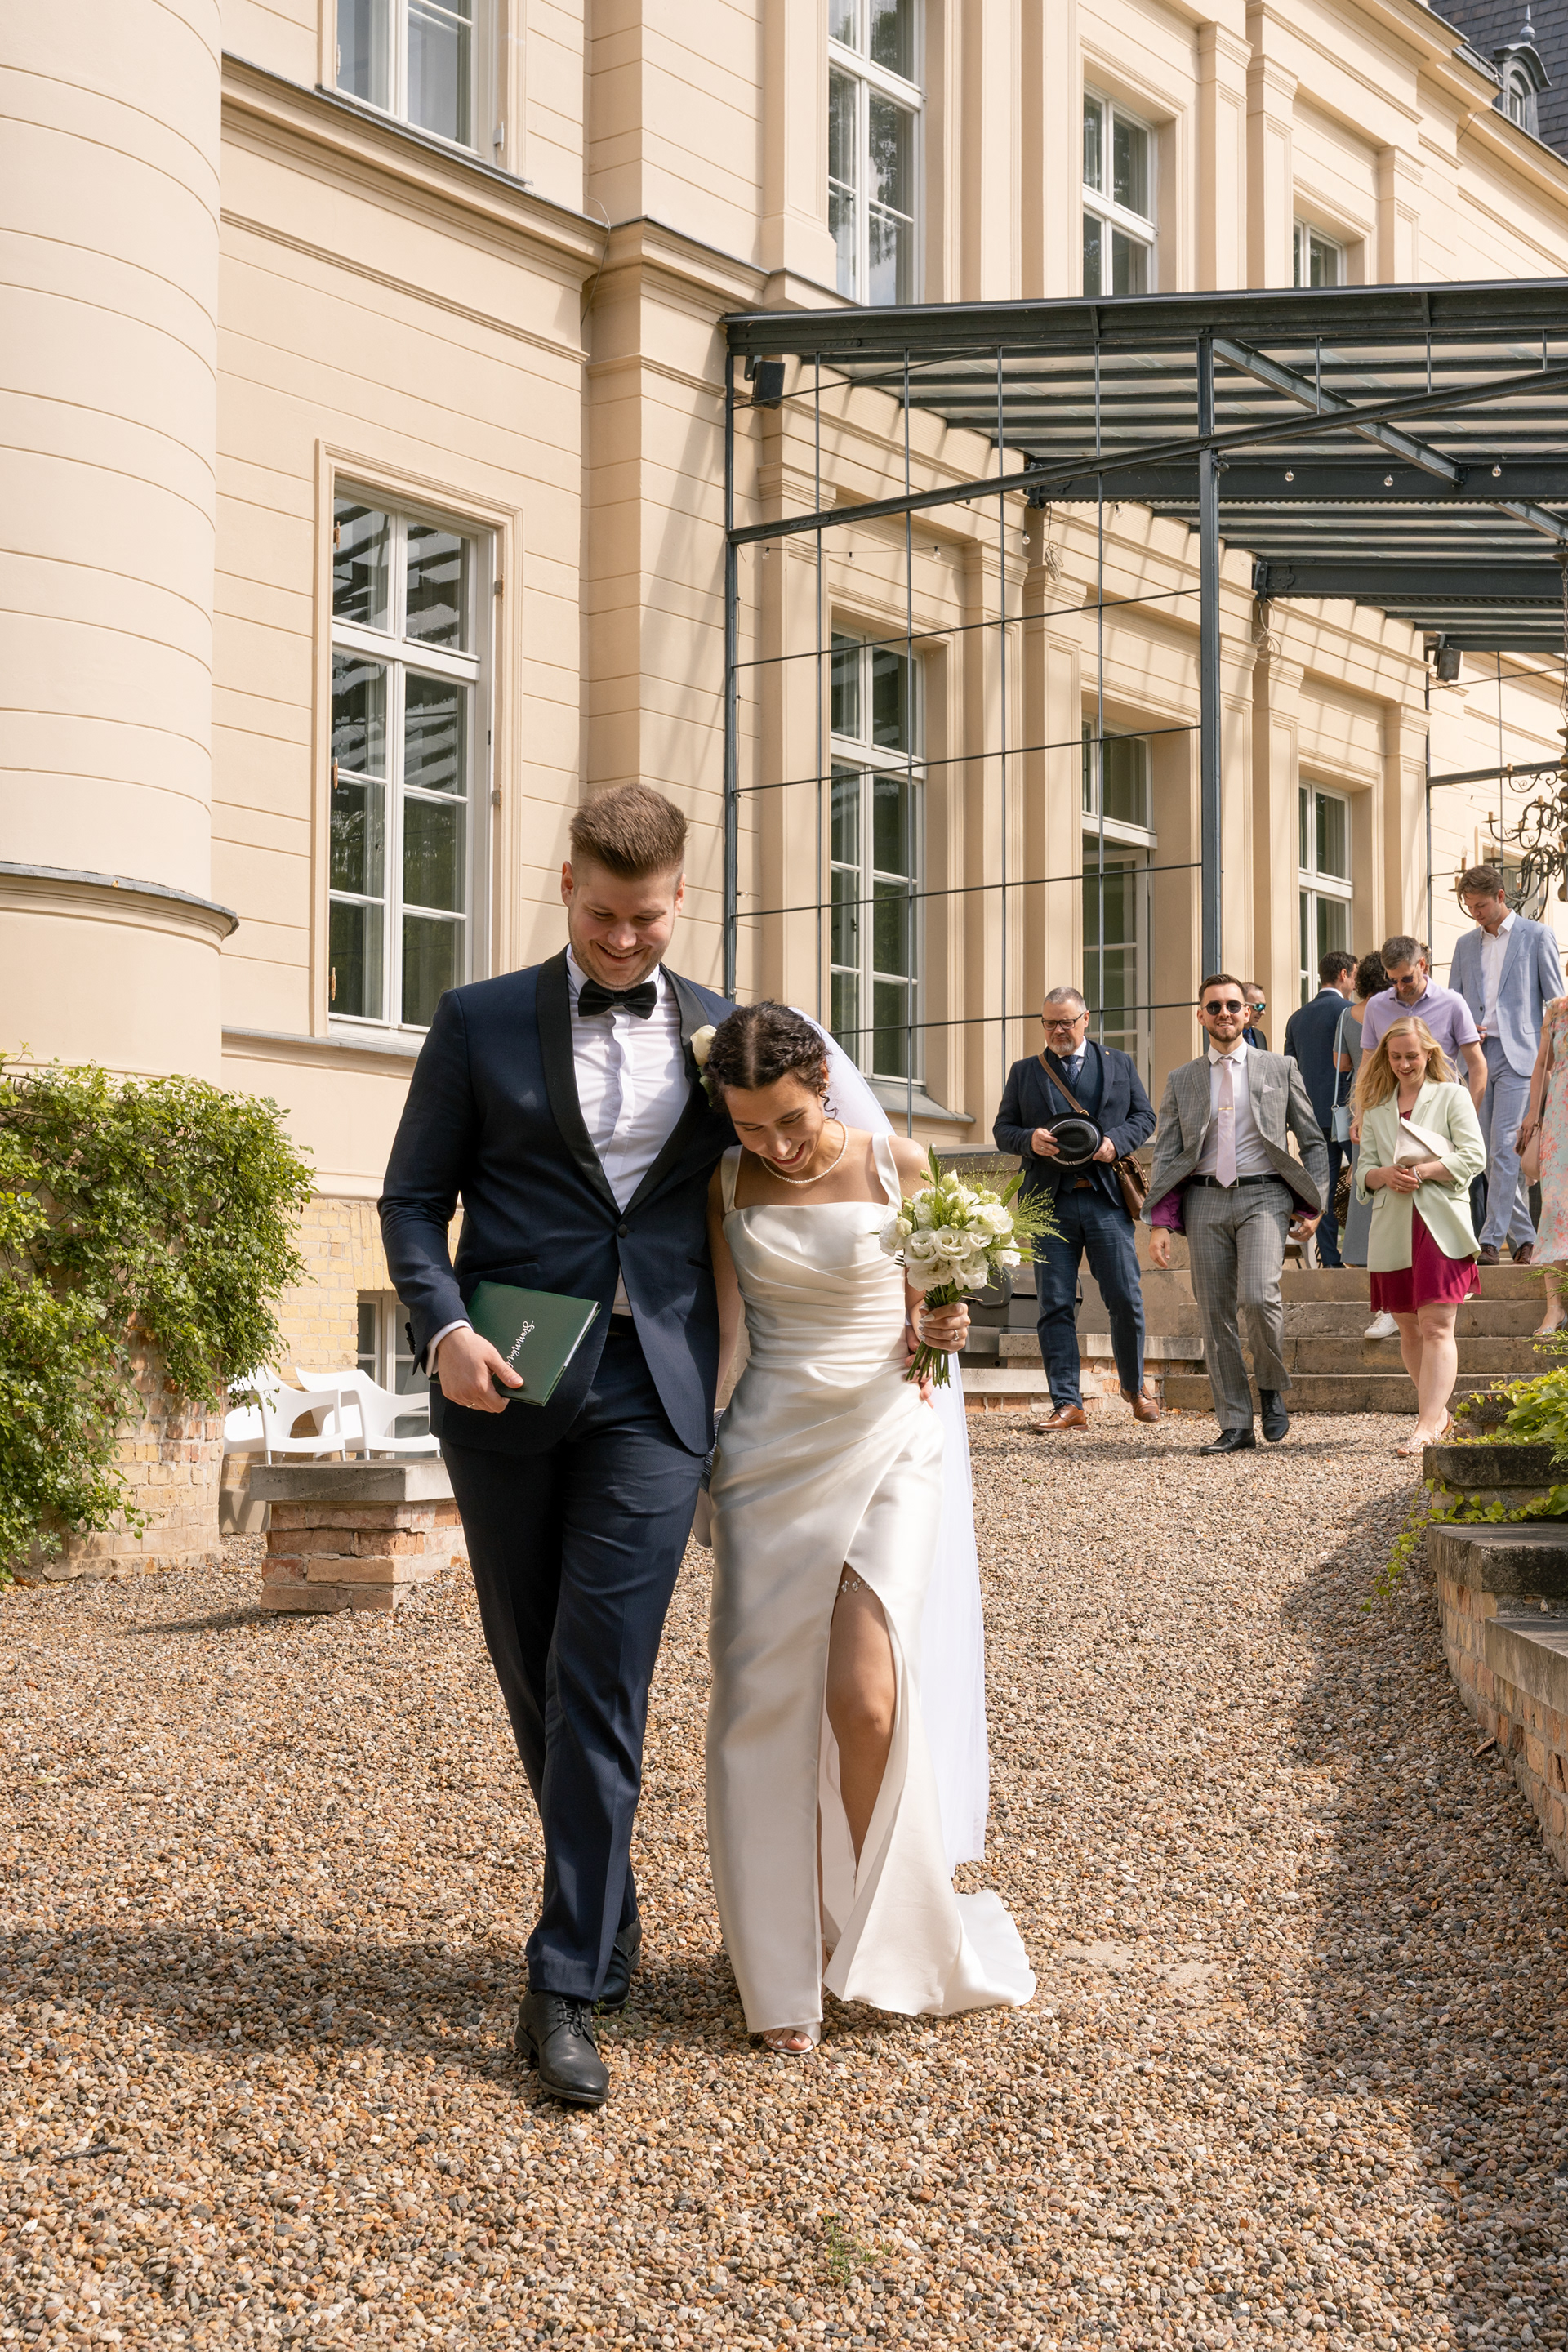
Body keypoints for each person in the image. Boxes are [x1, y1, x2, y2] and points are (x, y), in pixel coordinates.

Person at [378, 782, 737, 2111]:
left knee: (601, 1679)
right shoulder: (477, 1021)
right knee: (533, 1671)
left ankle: (563, 1981)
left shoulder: (727, 1031)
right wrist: (442, 1329)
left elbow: (813, 1167)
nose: (625, 942)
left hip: (657, 1391)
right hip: (508, 1387)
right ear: (567, 886)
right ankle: (607, 1901)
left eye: (648, 919)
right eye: (602, 918)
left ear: (681, 897)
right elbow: (412, 1200)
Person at [702, 1003, 1035, 2051]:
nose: (777, 1146)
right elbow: (726, 1342)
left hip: (892, 1440)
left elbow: (932, 1319)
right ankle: (780, 1967)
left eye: (792, 1121)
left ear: (824, 1086)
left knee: (866, 1698)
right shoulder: (725, 1184)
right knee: (759, 1708)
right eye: (751, 1127)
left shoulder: (902, 1165)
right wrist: (699, 1465)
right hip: (767, 1458)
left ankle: (888, 1937)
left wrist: (946, 1322)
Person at [1146, 973, 1329, 1456]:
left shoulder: (1280, 1067)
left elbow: (1312, 1141)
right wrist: (1160, 1223)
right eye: (1214, 1007)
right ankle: (1235, 1423)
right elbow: (1166, 1154)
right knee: (1214, 1313)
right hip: (1203, 1200)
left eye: (1233, 1005)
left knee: (1258, 1296)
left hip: (1265, 1197)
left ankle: (1269, 1386)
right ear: (1201, 1016)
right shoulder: (1182, 1079)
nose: (1224, 1013)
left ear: (1248, 1014)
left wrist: (1316, 1203)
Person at [992, 986, 1158, 1431]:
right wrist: (1028, 1140)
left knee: (1125, 1297)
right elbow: (1003, 1129)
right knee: (1055, 1304)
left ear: (1086, 1019)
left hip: (1106, 1199)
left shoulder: (1119, 1064)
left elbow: (1145, 1117)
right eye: (1050, 1024)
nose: (1058, 1031)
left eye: (1066, 1022)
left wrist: (1114, 1143)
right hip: (1050, 1204)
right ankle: (1068, 1403)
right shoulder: (1025, 1071)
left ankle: (1135, 1387)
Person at [1354, 1015, 1486, 1455]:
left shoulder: (1452, 1095)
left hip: (1441, 1225)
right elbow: (1362, 1174)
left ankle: (1426, 1425)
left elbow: (1475, 1156)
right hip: (1393, 1227)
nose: (1404, 1064)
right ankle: (1440, 1415)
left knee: (1436, 1325)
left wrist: (1424, 1171)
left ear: (1429, 1052)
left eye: (1412, 1055)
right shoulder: (1375, 1108)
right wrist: (1383, 1175)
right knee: (1409, 1329)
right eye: (1395, 1057)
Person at [1447, 863, 1566, 1267]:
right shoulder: (1464, 944)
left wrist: (1554, 1063)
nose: (1475, 913)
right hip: (1476, 1058)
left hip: (1521, 1058)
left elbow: (1556, 1004)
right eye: (1469, 907)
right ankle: (1526, 1238)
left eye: (1480, 905)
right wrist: (1467, 1025)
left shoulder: (1537, 935)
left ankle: (1489, 1240)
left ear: (1501, 896)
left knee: (1503, 1148)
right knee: (1483, 1152)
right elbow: (1455, 1001)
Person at [1283, 950, 1358, 1269]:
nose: (1355, 983)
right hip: (1350, 1113)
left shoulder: (1296, 1018)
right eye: (1354, 976)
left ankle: (1330, 1259)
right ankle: (1363, 1253)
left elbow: (1290, 1072)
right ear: (1343, 974)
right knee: (1365, 1181)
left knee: (1321, 1191)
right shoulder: (1351, 1012)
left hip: (1311, 1118)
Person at [1338, 951, 1393, 1326]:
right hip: (1390, 1094)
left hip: (1361, 1099)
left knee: (1363, 1177)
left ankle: (1358, 1251)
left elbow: (1341, 1063)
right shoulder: (1393, 1010)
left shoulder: (1348, 1014)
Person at [1510, 997, 1568, 1336]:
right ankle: (1554, 1307)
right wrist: (1533, 1115)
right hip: (1560, 1121)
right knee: (1556, 1208)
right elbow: (1543, 1067)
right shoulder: (1557, 1010)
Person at [1242, 983, 1268, 1049]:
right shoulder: (1229, 1035)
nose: (1263, 1013)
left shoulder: (1260, 1036)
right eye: (1258, 1006)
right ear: (1242, 1005)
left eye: (1264, 1007)